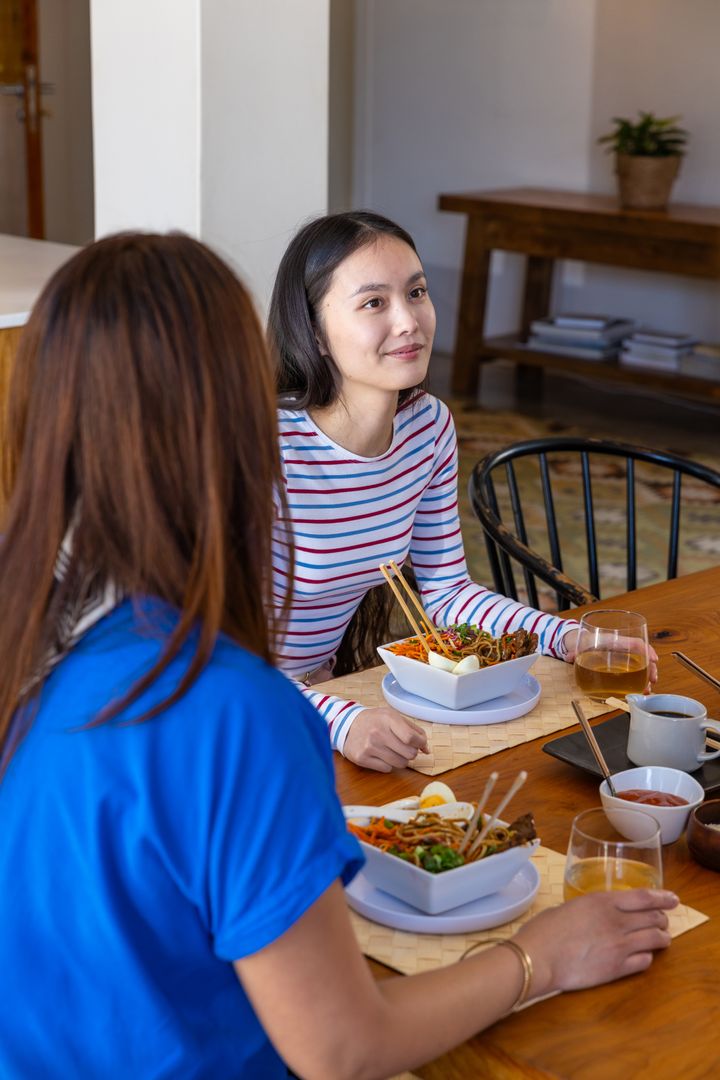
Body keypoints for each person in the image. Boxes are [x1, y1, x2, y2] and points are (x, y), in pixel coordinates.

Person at [0, 232, 675, 1079]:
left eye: (417, 292)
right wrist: (541, 955)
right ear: (239, 418)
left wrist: (563, 630)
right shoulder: (235, 713)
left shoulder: (37, 631)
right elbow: (342, 1049)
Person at [268, 211, 657, 771]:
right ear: (314, 331)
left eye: (417, 292)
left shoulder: (427, 428)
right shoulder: (263, 448)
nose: (409, 321)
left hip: (316, 698)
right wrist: (335, 718)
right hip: (221, 708)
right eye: (374, 303)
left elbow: (446, 594)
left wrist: (566, 638)